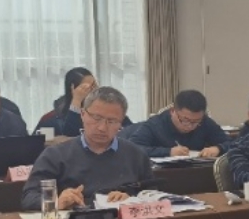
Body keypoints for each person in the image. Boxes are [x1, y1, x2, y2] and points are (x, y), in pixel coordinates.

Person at [20, 88, 153, 211]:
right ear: (83, 114)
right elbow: (29, 197)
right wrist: (57, 202)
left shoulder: (136, 155)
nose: (102, 128)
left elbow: (152, 194)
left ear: (121, 123)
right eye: (96, 118)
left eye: (112, 121)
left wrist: (132, 200)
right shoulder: (55, 155)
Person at [122, 89, 229, 158]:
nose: (190, 126)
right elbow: (133, 149)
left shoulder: (205, 122)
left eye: (196, 122)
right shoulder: (155, 124)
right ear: (173, 111)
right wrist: (168, 152)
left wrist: (218, 148)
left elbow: (232, 144)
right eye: (185, 120)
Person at [34, 68, 129, 138]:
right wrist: (76, 101)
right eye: (87, 88)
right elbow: (70, 135)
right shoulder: (52, 119)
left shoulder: (108, 111)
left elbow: (129, 131)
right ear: (72, 88)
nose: (94, 91)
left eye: (95, 86)